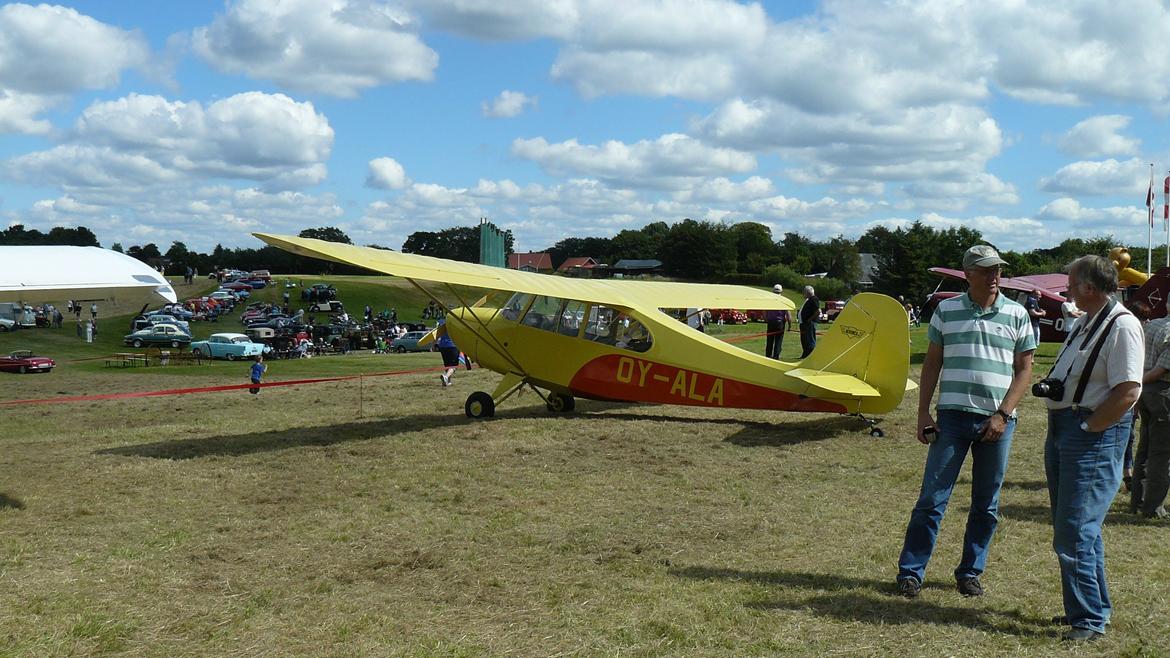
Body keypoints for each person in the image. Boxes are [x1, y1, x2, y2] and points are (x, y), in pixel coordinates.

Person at [896, 245, 1036, 600]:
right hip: (953, 418)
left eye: (998, 270)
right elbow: (931, 365)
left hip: (998, 422)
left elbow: (1024, 371)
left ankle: (970, 572)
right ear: (967, 274)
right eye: (986, 270)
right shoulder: (947, 311)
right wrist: (923, 411)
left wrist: (1003, 414)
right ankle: (911, 572)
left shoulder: (1017, 313)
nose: (994, 276)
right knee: (932, 498)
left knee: (985, 504)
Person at [1042, 255, 1143, 642]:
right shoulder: (1087, 321)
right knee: (1079, 528)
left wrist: (1088, 427)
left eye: (1070, 282)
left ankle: (1087, 620)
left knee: (1074, 531)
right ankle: (1088, 609)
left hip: (1091, 433)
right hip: (1067, 428)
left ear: (1088, 286)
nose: (1066, 289)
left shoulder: (1122, 326)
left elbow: (1129, 391)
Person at [1129, 306, 1170, 518]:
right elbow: (1161, 370)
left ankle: (1137, 500)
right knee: (1162, 454)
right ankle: (1153, 507)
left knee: (1145, 448)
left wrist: (1137, 385)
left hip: (1145, 394)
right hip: (1163, 392)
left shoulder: (1151, 325)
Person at [764, 284, 790, 360]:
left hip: (771, 322)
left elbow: (765, 310)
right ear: (781, 291)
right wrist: (789, 325)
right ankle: (776, 356)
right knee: (778, 341)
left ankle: (768, 355)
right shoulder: (783, 300)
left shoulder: (770, 300)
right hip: (780, 323)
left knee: (770, 340)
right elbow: (788, 314)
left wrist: (766, 319)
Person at [435, 318, 460, 387]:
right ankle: (446, 377)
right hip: (453, 345)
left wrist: (434, 344)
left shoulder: (441, 322)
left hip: (442, 346)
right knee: (454, 366)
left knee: (447, 365)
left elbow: (437, 334)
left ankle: (448, 382)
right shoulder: (456, 321)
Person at [798, 285, 819, 358]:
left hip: (811, 323)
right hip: (807, 323)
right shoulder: (810, 299)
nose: (804, 294)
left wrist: (809, 319)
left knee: (810, 340)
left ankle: (811, 356)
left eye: (805, 292)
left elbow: (817, 311)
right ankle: (807, 354)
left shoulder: (814, 299)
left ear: (808, 293)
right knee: (807, 339)